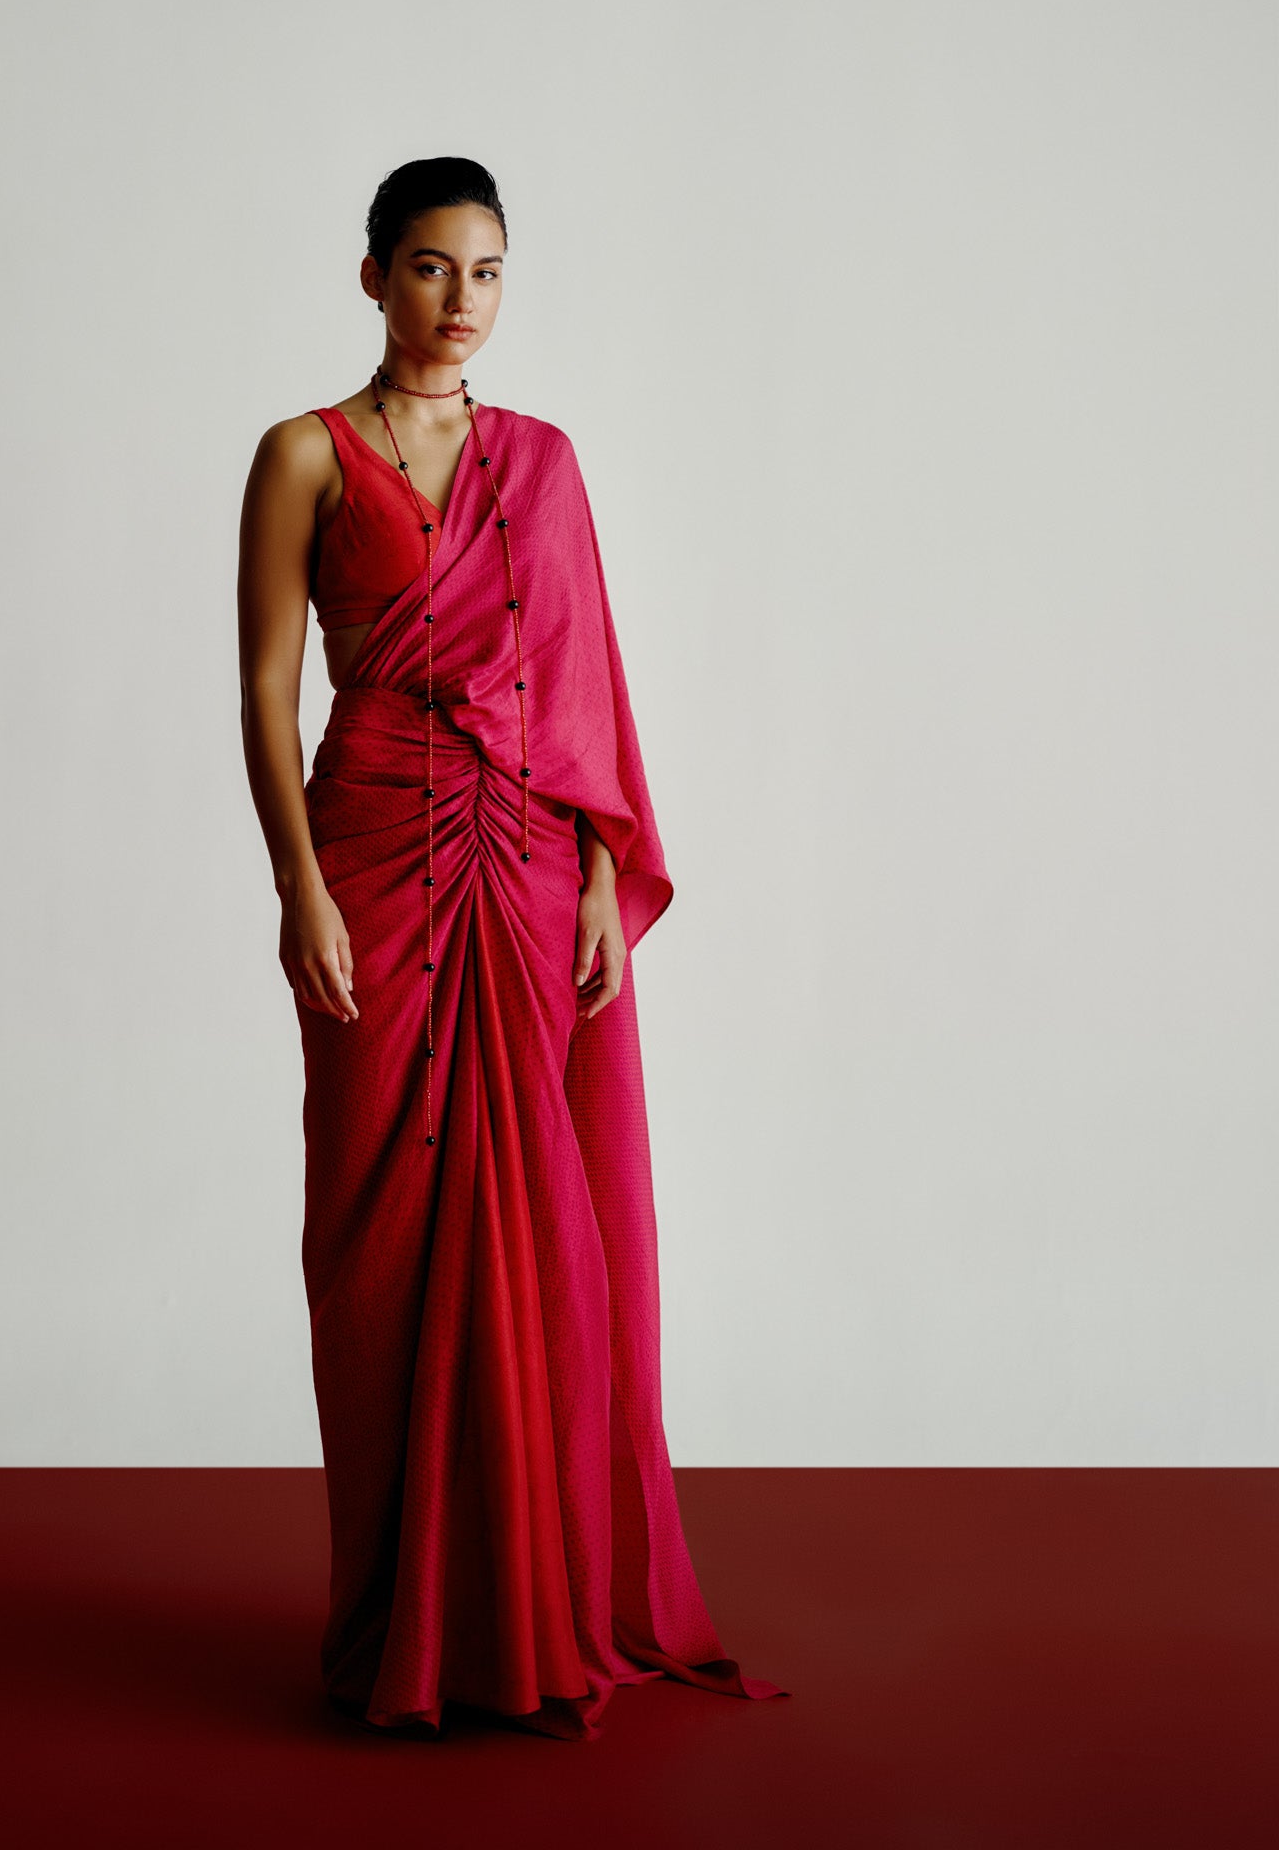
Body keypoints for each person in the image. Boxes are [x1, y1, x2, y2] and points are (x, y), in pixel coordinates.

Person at [237, 157, 784, 1741]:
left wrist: (605, 868)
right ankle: (397, 1627)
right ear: (372, 275)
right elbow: (267, 685)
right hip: (372, 856)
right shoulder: (303, 453)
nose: (460, 301)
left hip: (530, 869)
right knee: (375, 1234)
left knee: (547, 1226)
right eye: (429, 267)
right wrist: (299, 888)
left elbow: (586, 677)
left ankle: (530, 1614)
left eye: (485, 272)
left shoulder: (543, 462)